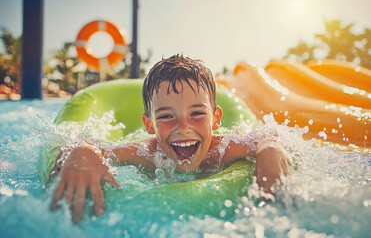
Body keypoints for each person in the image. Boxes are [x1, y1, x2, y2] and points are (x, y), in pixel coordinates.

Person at [48, 54, 290, 224]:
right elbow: (93, 149)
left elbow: (265, 137)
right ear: (149, 125)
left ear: (216, 119)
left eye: (196, 113)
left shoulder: (222, 149)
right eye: (166, 116)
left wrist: (270, 148)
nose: (183, 128)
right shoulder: (147, 154)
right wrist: (84, 151)